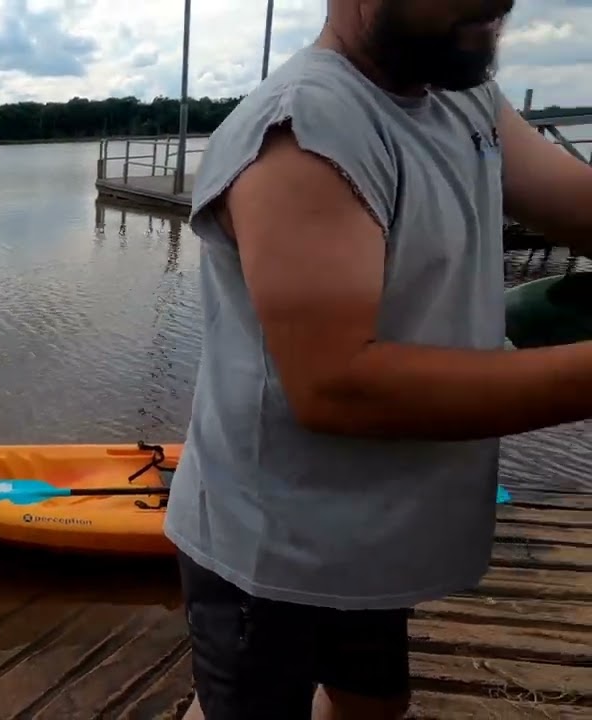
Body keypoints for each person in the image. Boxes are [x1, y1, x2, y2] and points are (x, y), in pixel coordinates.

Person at [164, 0, 592, 718]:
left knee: (373, 704)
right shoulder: (305, 129)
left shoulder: (462, 93)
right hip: (274, 545)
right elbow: (340, 386)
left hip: (376, 532)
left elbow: (580, 203)